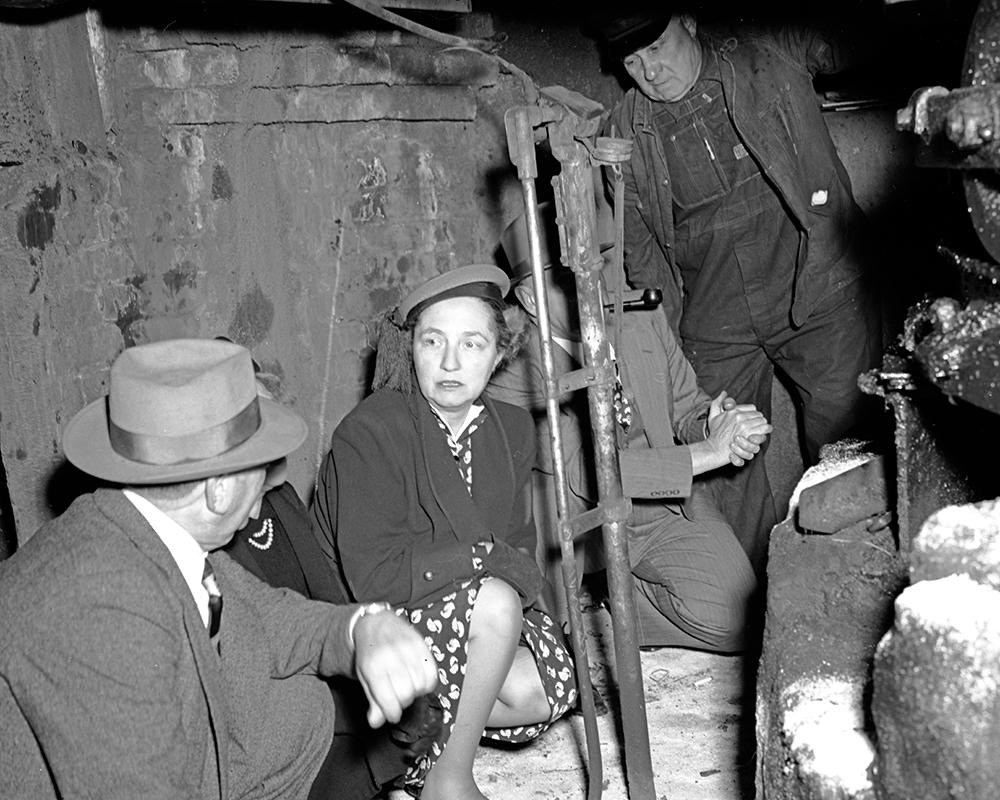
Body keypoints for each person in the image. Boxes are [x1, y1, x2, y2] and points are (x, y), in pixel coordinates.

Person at [0, 337, 437, 800]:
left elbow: (276, 621)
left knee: (306, 706)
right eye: (262, 464)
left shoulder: (145, 528)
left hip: (203, 765)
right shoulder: (99, 612)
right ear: (219, 491)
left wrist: (362, 629)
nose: (273, 479)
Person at [594, 4, 884, 570]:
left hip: (814, 280)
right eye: (632, 61)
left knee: (848, 439)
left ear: (690, 22)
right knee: (724, 461)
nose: (649, 72)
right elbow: (641, 251)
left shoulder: (766, 53)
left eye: (657, 49)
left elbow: (855, 34)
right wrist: (670, 340)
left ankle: (849, 571)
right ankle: (754, 595)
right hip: (716, 310)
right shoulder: (624, 131)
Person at [312, 264, 578, 800]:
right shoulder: (370, 430)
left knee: (548, 685)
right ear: (411, 348)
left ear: (500, 353)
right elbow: (372, 579)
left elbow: (520, 548)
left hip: (458, 611)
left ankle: (433, 735)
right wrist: (483, 559)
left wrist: (498, 570)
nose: (451, 363)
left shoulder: (511, 428)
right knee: (496, 605)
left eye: (472, 344)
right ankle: (447, 779)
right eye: (433, 341)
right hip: (378, 621)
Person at [488, 202, 765, 648]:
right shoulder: (510, 370)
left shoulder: (639, 317)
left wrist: (713, 425)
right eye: (567, 279)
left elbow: (685, 405)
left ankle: (613, 606)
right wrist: (709, 453)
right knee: (559, 645)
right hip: (574, 525)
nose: (589, 287)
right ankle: (571, 611)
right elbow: (587, 473)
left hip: (656, 505)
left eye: (594, 267)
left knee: (738, 617)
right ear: (528, 298)